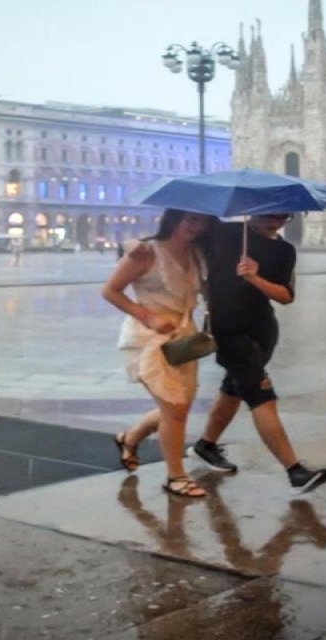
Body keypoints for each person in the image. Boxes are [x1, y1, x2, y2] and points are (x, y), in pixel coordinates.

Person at [127, 214, 326, 494]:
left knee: (234, 389)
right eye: (270, 214)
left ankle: (203, 446)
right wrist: (136, 246)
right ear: (256, 209)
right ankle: (294, 470)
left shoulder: (285, 250)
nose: (277, 220)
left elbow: (285, 295)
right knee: (261, 396)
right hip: (228, 332)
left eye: (284, 215)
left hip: (263, 330)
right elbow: (175, 241)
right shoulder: (223, 233)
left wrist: (254, 278)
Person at [103, 209, 215, 498]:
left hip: (184, 337)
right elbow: (111, 291)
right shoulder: (146, 252)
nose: (196, 225)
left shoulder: (197, 253)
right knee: (175, 408)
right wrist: (147, 316)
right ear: (174, 219)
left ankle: (130, 438)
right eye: (190, 219)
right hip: (149, 337)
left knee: (179, 406)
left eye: (202, 221)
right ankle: (176, 476)